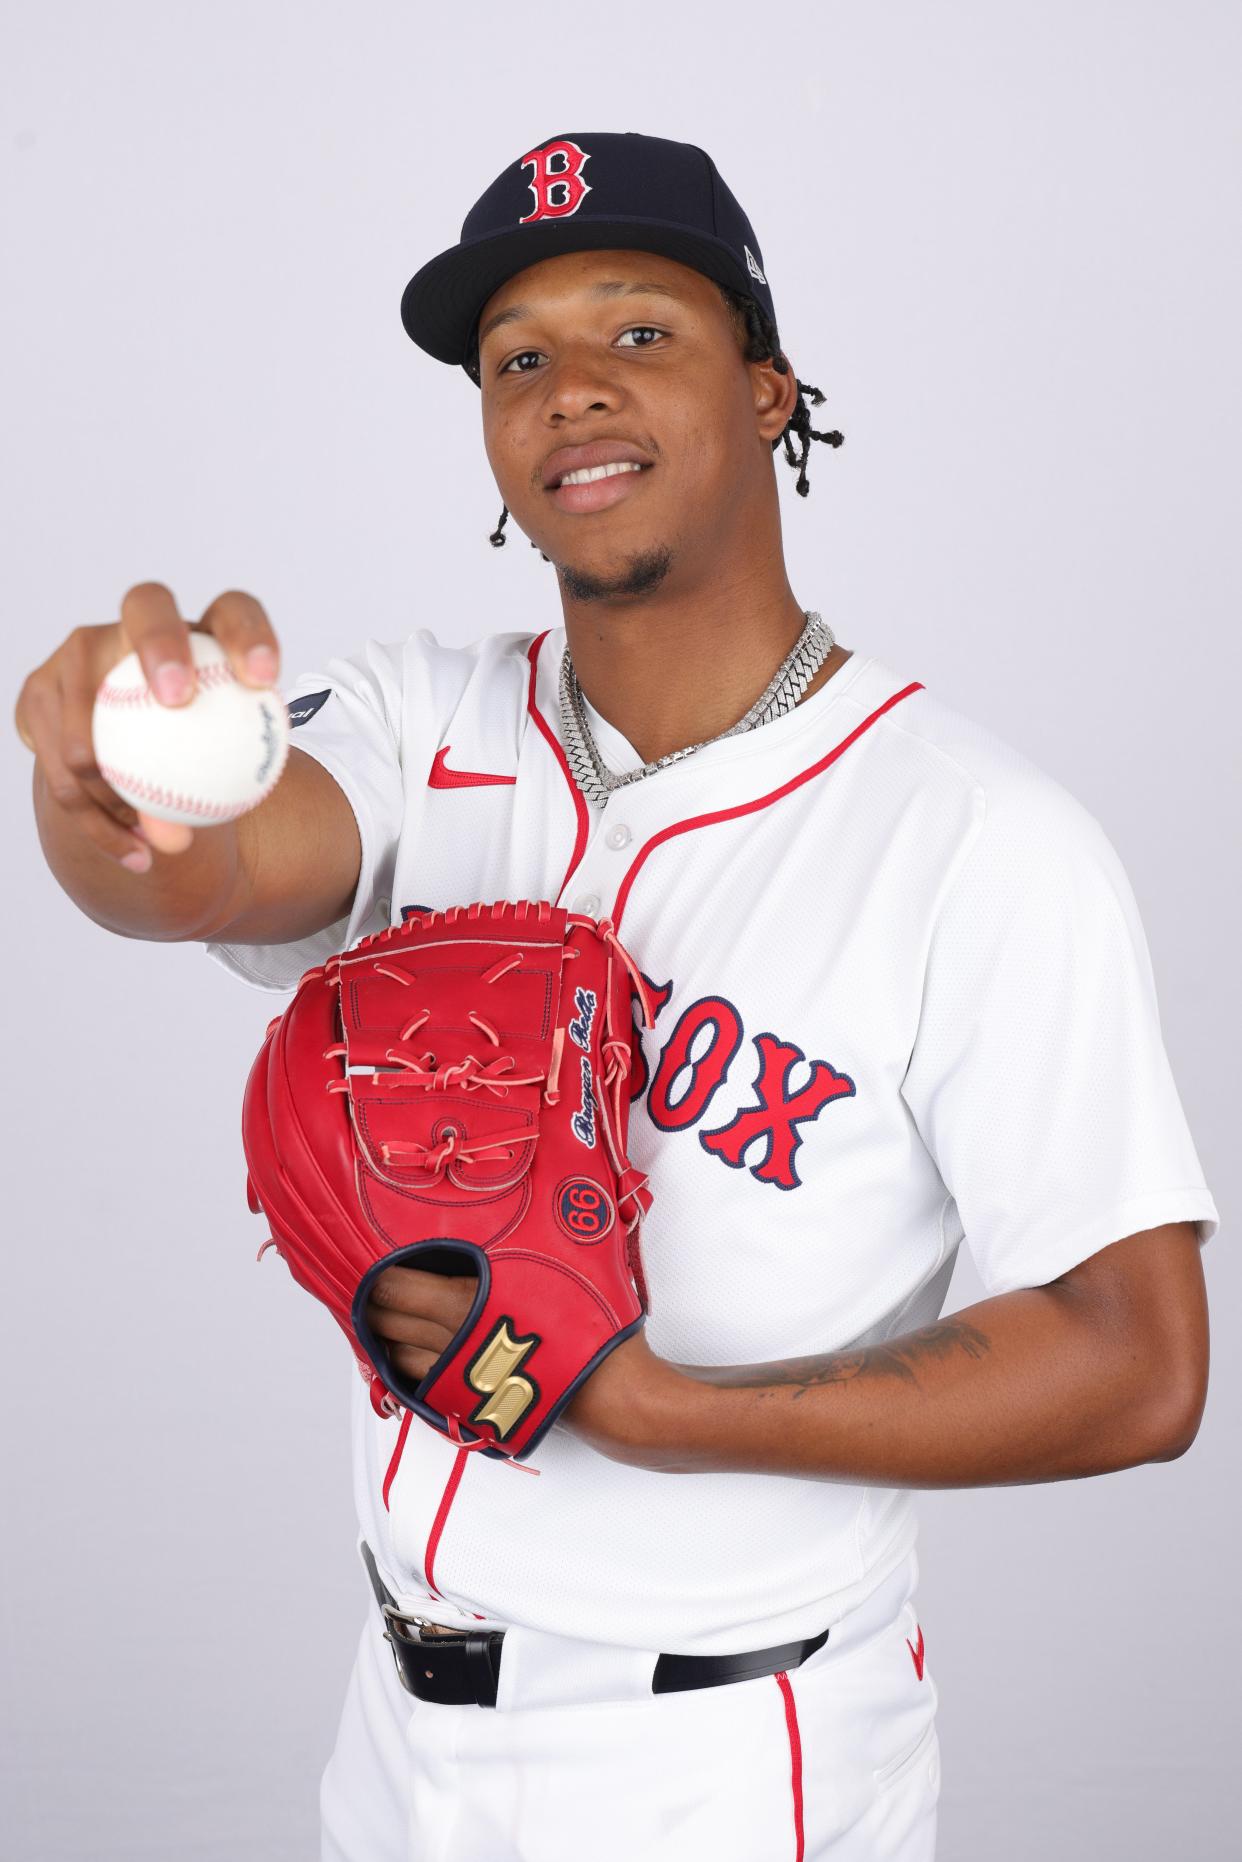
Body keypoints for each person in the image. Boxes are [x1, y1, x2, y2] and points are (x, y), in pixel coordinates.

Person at [16, 131, 1218, 1862]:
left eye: (638, 332)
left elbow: (1137, 1363)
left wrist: (650, 1411)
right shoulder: (419, 719)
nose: (570, 388)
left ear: (769, 387)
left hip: (729, 1760)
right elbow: (207, 866)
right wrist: (115, 801)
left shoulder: (976, 842)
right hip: (396, 1740)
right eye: (517, 360)